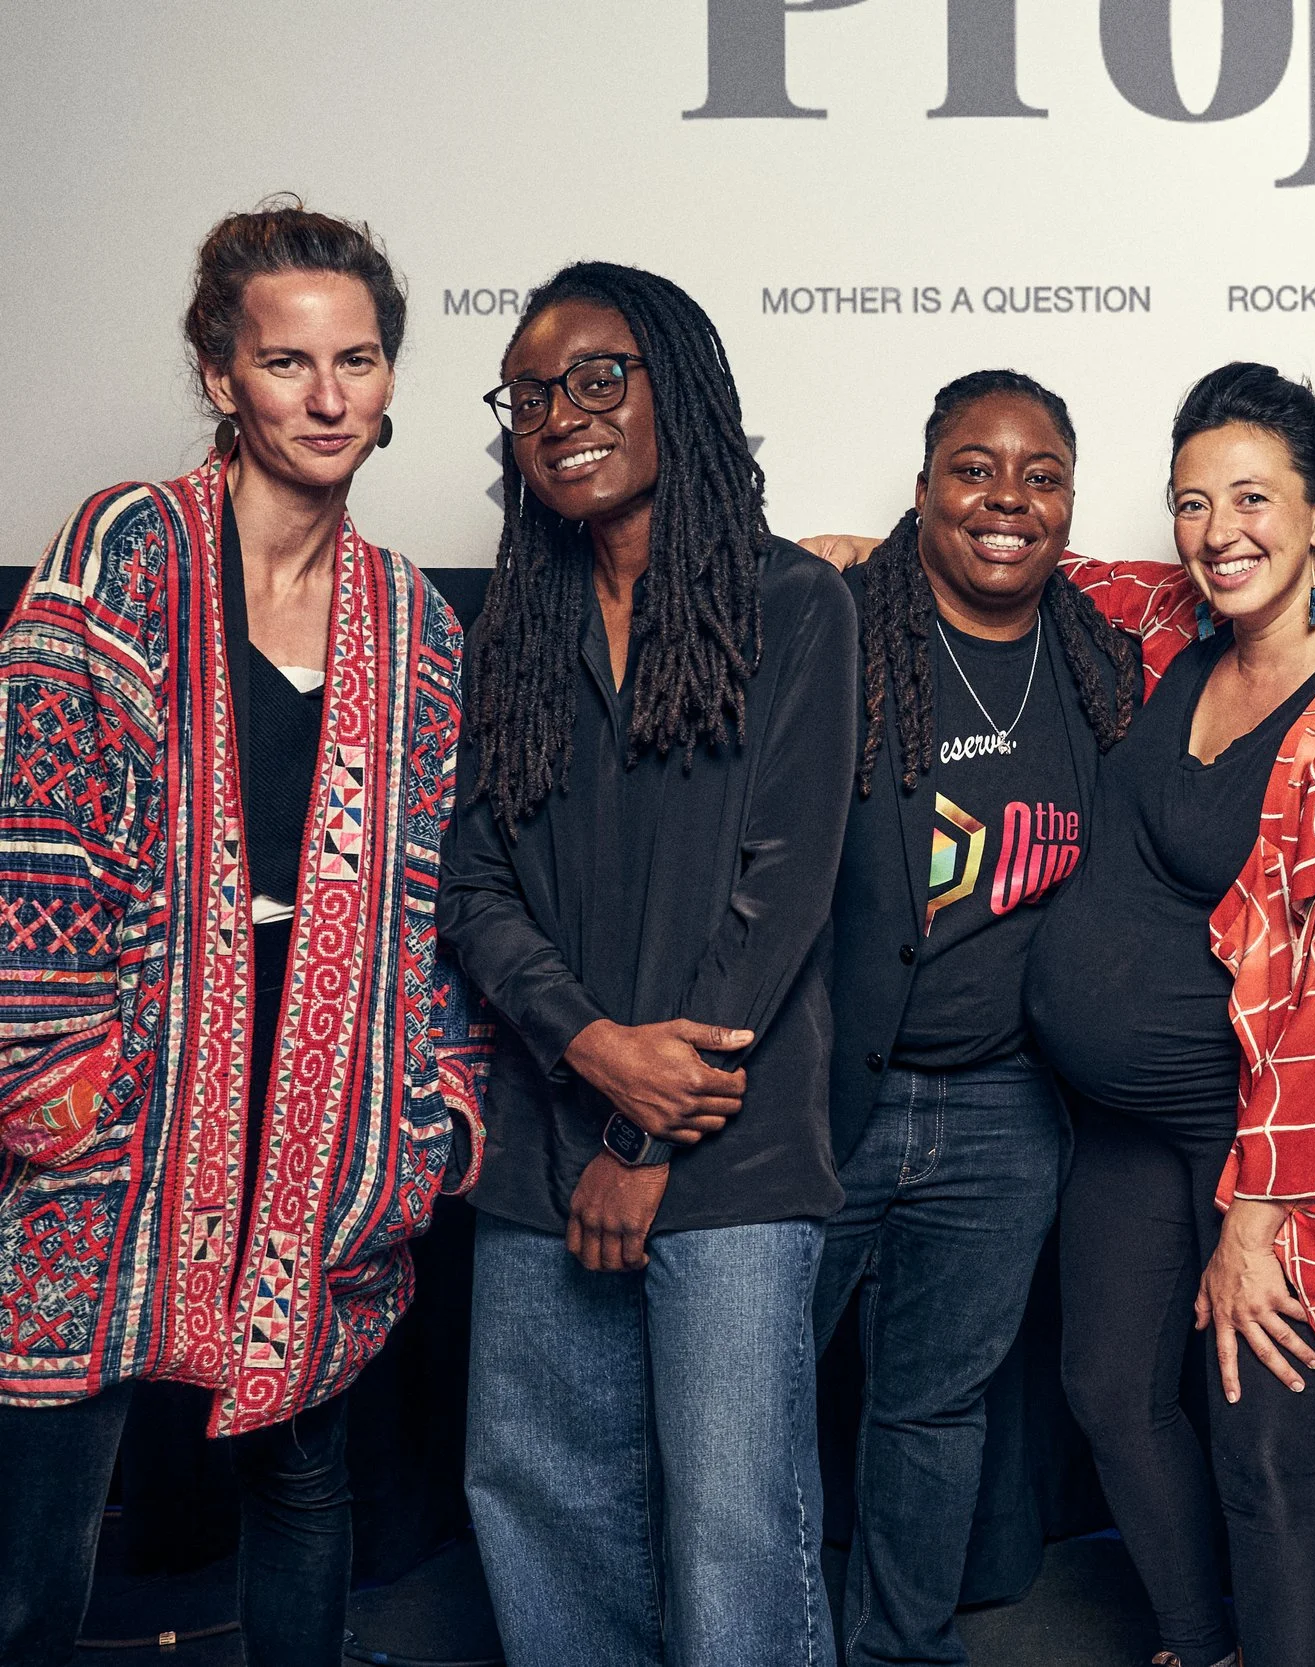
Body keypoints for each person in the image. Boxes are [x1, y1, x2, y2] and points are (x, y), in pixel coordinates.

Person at [0, 199, 481, 1667]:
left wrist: (430, 1110)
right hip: (124, 1071)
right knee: (43, 1500)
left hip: (324, 1095)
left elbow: (440, 895)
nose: (328, 398)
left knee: (304, 1465)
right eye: (287, 362)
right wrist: (57, 1074)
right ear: (223, 374)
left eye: (359, 360)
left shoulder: (414, 621)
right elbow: (35, 813)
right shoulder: (130, 545)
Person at [441, 261, 859, 1667]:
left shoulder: (794, 604)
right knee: (540, 1511)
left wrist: (643, 1127)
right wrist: (589, 1046)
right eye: (530, 394)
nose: (561, 413)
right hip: (541, 1145)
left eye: (597, 378)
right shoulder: (513, 631)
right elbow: (474, 880)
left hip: (731, 1154)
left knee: (733, 1541)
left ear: (674, 386)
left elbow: (782, 895)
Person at [1023, 362, 1315, 1667]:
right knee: (1108, 1392)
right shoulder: (1180, 627)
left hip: (1254, 1142)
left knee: (1263, 1448)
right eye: (1192, 502)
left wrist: (1254, 1224)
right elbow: (1055, 564)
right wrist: (871, 545)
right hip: (1122, 1122)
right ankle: (1201, 1643)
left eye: (1252, 498)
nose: (1217, 531)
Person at [814, 369, 1141, 1667]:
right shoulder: (833, 632)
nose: (1008, 497)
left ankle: (901, 1647)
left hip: (1007, 1109)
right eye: (974, 467)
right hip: (826, 1095)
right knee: (749, 1400)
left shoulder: (1099, 660)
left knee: (933, 1409)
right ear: (922, 490)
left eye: (1040, 474)